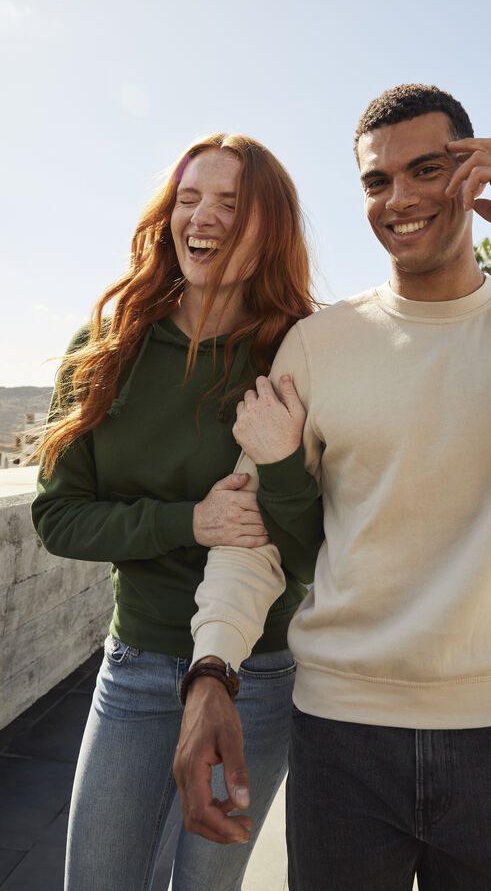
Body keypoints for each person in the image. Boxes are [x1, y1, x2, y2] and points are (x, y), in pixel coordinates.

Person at [173, 85, 491, 890]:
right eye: (377, 181)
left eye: (426, 170)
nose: (398, 198)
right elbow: (248, 532)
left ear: (475, 173)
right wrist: (210, 671)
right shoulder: (317, 345)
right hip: (340, 739)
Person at [31, 132, 323, 891]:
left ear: (270, 227)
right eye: (189, 199)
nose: (204, 217)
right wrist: (188, 521)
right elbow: (59, 518)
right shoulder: (106, 347)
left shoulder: (298, 356)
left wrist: (281, 467)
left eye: (231, 203)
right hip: (135, 664)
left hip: (257, 673)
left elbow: (313, 548)